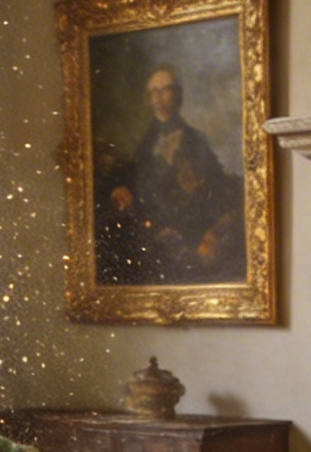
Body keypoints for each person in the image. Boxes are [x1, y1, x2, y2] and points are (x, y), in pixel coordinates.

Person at [95, 63, 244, 285]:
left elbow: (215, 186)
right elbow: (131, 179)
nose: (159, 97)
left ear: (177, 94)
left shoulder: (195, 140)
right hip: (151, 231)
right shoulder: (143, 143)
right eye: (153, 91)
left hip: (190, 233)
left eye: (166, 89)